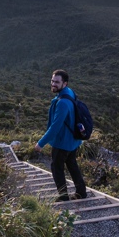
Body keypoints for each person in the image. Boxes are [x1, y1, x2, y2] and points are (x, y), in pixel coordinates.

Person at [35, 69, 87, 201]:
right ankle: (81, 192)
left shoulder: (63, 103)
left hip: (63, 142)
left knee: (56, 167)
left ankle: (63, 196)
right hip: (73, 140)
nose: (53, 84)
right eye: (52, 81)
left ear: (65, 83)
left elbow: (55, 126)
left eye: (57, 82)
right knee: (72, 164)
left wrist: (40, 143)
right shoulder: (69, 93)